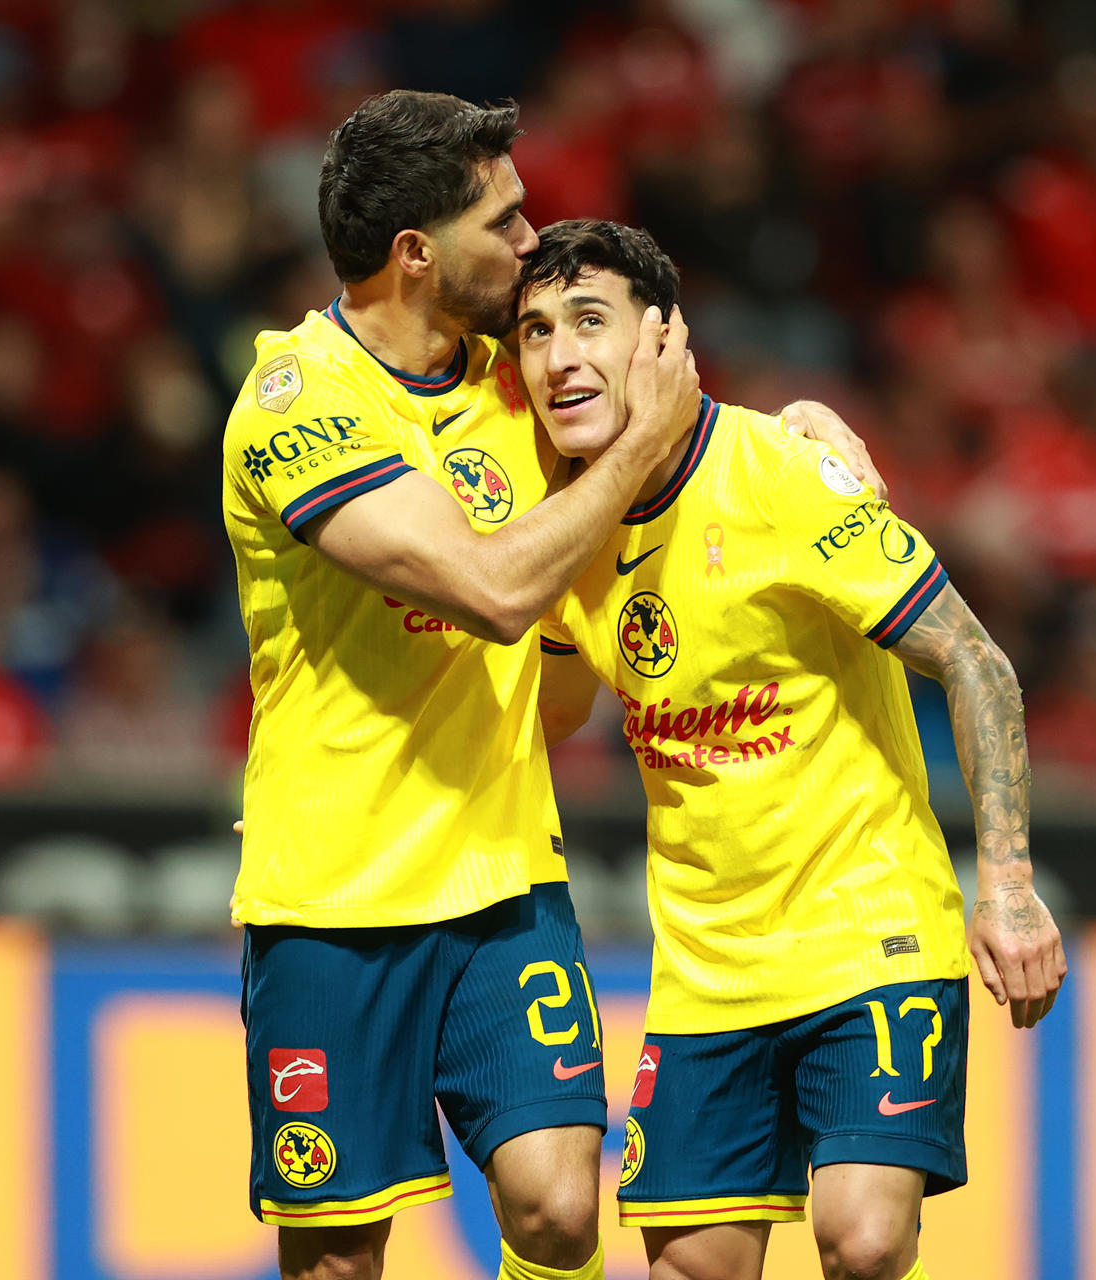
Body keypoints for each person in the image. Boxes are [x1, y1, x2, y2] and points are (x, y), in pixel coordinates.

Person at [221, 92, 877, 1280]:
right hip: (333, 899)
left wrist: (797, 434)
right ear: (416, 253)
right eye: (504, 221)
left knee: (562, 1204)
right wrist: (632, 456)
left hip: (504, 876)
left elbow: (672, 431)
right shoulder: (296, 406)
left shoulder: (513, 382)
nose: (531, 243)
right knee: (338, 1259)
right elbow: (490, 588)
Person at [517, 220, 1066, 1280]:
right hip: (704, 969)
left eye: (589, 320)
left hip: (867, 934)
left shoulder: (784, 473)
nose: (559, 356)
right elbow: (551, 713)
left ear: (663, 338)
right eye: (536, 331)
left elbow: (976, 661)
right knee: (694, 1267)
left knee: (863, 1238)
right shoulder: (565, 529)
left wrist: (1006, 885)